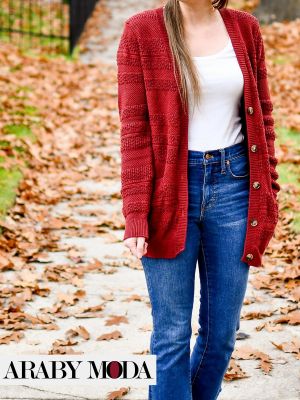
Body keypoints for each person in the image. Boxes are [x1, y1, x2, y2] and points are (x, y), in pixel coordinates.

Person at [117, 1, 280, 399]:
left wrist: (269, 187)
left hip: (235, 185)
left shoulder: (245, 29)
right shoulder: (142, 31)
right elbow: (134, 132)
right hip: (169, 189)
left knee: (221, 333)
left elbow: (264, 115)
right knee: (171, 335)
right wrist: (136, 214)